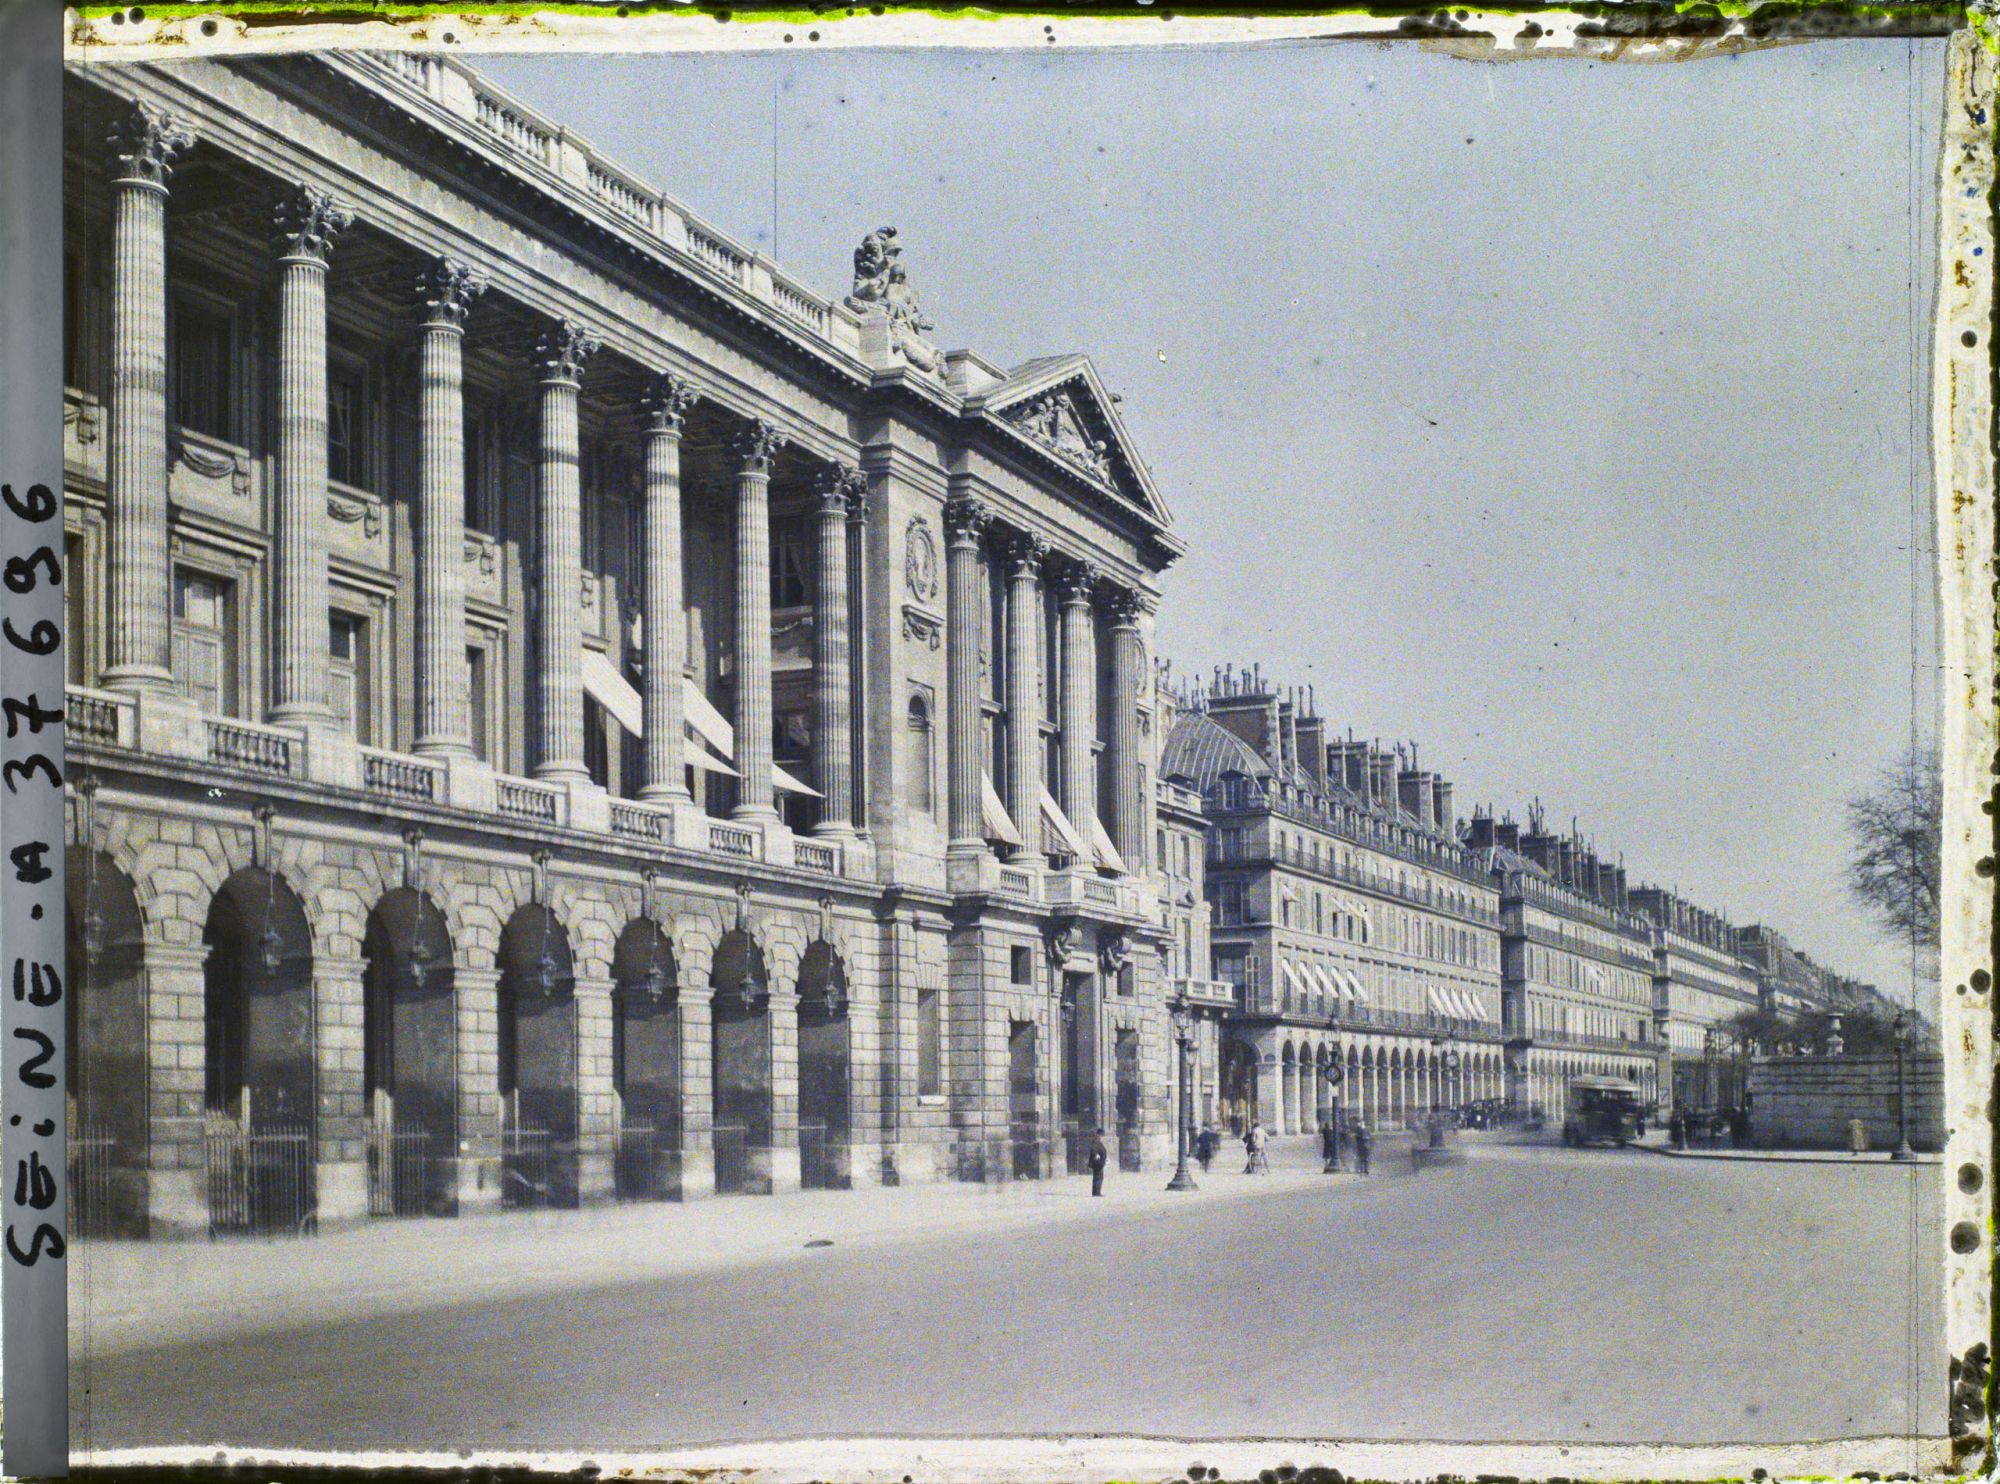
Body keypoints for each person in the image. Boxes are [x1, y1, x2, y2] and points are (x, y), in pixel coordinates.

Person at [1088, 1127, 1108, 1196]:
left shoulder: (1098, 1141)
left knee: (1099, 1177)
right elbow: (1094, 1150)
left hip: (1099, 1162)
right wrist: (1097, 1156)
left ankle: (1097, 1192)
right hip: (1097, 1162)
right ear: (1099, 1134)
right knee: (1098, 1177)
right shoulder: (1096, 1141)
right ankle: (1096, 1192)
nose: (1102, 1137)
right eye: (1101, 1135)